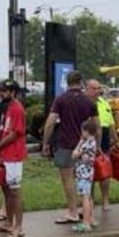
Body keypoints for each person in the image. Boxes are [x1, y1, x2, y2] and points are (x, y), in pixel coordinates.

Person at [42, 71, 97, 225]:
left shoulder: (61, 100)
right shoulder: (89, 102)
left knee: (67, 179)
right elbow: (96, 126)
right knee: (85, 178)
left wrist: (45, 143)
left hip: (65, 144)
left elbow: (50, 122)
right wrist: (96, 146)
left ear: (67, 82)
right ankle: (88, 213)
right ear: (81, 82)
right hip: (85, 145)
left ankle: (72, 211)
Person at [0, 79, 27, 237]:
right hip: (6, 153)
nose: (1, 93)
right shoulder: (8, 107)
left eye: (4, 91)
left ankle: (18, 227)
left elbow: (15, 133)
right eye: (0, 90)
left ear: (13, 92)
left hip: (13, 154)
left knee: (15, 191)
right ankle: (8, 222)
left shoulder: (17, 109)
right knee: (6, 189)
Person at [87, 80, 119, 212]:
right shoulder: (84, 103)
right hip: (88, 137)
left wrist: (116, 139)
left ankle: (105, 200)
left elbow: (110, 123)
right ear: (87, 89)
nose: (97, 91)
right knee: (89, 173)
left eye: (99, 88)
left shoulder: (104, 103)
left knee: (104, 172)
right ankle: (90, 201)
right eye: (94, 88)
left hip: (104, 139)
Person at [71, 118, 100, 233]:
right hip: (89, 173)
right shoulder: (93, 142)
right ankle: (91, 219)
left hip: (83, 173)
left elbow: (74, 155)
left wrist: (79, 142)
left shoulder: (86, 144)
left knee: (85, 198)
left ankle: (86, 222)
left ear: (87, 131)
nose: (81, 133)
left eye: (82, 131)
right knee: (89, 197)